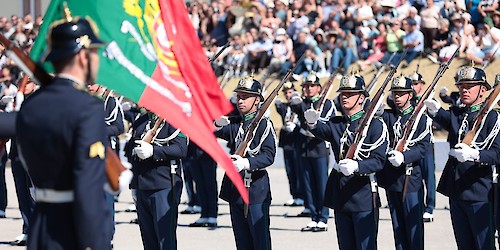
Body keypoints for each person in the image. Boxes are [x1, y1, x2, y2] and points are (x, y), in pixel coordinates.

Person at [16, 14, 112, 249]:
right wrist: (94, 241)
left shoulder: (32, 105)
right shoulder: (87, 107)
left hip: (41, 227)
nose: (98, 61)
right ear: (82, 56)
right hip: (74, 232)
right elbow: (86, 183)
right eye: (95, 54)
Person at [304, 74, 388, 249]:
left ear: (362, 98)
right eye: (343, 94)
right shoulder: (338, 122)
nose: (345, 97)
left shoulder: (375, 125)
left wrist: (358, 166)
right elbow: (323, 130)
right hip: (341, 193)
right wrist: (312, 123)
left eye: (350, 94)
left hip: (363, 193)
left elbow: (379, 161)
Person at [424, 66, 500, 249]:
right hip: (457, 191)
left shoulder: (492, 117)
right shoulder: (459, 113)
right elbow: (447, 117)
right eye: (461, 86)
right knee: (464, 245)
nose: (464, 90)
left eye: (469, 86)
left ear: (482, 89)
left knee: (483, 245)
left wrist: (475, 154)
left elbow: (497, 153)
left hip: (479, 191)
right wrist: (434, 109)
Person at [214, 76, 276, 249]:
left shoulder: (264, 125)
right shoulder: (235, 123)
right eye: (239, 96)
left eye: (245, 97)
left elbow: (269, 155)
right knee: (242, 242)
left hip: (256, 190)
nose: (240, 100)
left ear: (257, 100)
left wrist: (247, 163)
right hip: (236, 190)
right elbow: (210, 131)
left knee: (259, 241)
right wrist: (215, 124)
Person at [378, 75, 431, 250]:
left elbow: (423, 147)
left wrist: (405, 156)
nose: (397, 97)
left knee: (413, 228)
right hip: (392, 179)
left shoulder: (419, 117)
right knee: (398, 228)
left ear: (410, 94)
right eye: (395, 93)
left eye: (402, 93)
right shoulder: (388, 116)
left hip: (410, 178)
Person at [125, 111, 187, 250]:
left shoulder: (173, 119)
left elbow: (181, 149)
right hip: (141, 185)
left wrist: (154, 151)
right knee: (149, 240)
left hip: (163, 186)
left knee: (165, 240)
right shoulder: (141, 121)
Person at [289, 72, 336, 232]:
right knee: (307, 184)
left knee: (321, 183)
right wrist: (294, 99)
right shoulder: (302, 103)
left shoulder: (326, 103)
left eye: (312, 86)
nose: (309, 89)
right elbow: (295, 107)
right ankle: (314, 215)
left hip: (318, 147)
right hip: (303, 148)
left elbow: (327, 122)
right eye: (306, 86)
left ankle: (323, 216)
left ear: (318, 88)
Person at [87, 83, 125, 242]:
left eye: (92, 82)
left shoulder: (111, 102)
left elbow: (118, 127)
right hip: (87, 159)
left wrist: (98, 130)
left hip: (106, 158)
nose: (88, 85)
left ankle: (107, 237)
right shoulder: (84, 100)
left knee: (106, 201)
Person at [275, 81, 303, 207]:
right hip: (287, 142)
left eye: (290, 92)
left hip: (297, 141)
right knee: (290, 170)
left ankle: (302, 195)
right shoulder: (284, 107)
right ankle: (295, 195)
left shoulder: (299, 106)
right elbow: (276, 103)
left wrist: (295, 125)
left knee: (299, 170)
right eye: (286, 93)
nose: (288, 95)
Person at [187, 143, 219, 227]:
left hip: (208, 152)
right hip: (193, 152)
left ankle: (212, 215)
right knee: (199, 185)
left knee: (210, 184)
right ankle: (204, 214)